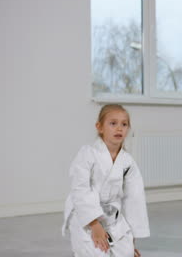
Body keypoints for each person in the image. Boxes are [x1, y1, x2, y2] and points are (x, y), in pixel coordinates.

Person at [62, 104, 150, 257]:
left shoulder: (127, 161)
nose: (119, 128)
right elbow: (80, 189)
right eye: (113, 123)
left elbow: (134, 199)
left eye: (124, 124)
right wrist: (94, 225)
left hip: (111, 217)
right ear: (99, 127)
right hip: (85, 215)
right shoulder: (87, 154)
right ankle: (82, 247)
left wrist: (131, 241)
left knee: (127, 253)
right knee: (98, 254)